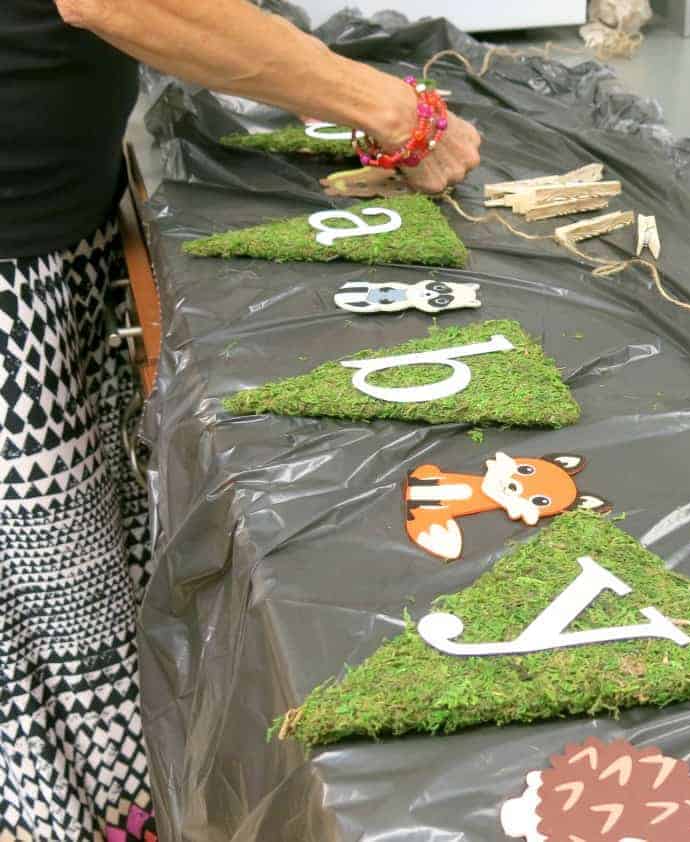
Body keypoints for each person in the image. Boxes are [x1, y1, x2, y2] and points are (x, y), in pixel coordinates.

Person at [0, 0, 481, 837]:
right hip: (12, 269)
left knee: (92, 550)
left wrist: (282, 58)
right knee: (46, 601)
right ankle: (81, 813)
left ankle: (112, 786)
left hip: (52, 220)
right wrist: (396, 112)